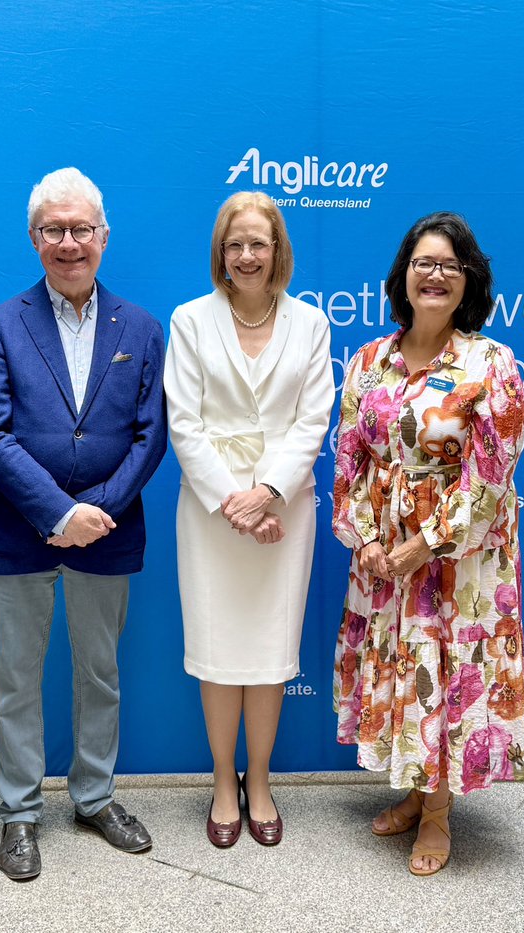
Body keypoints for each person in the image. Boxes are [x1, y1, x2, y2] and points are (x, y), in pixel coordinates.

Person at [0, 167, 167, 881]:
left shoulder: (141, 328)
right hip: (19, 530)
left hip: (108, 532)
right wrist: (57, 511)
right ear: (34, 238)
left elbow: (152, 437)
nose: (68, 242)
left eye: (80, 228)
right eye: (53, 229)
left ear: (103, 237)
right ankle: (20, 812)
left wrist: (97, 512)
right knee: (16, 678)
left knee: (100, 673)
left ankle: (93, 797)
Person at [331, 211, 524, 876]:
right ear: (404, 277)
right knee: (404, 672)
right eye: (423, 262)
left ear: (468, 278)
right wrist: (364, 540)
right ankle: (420, 792)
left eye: (448, 264)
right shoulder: (369, 360)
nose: (435, 274)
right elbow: (349, 456)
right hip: (383, 560)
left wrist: (423, 544)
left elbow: (492, 479)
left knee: (441, 676)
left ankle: (440, 815)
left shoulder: (490, 363)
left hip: (454, 566)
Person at [164, 191, 333, 848]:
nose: (246, 255)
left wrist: (267, 494)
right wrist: (237, 504)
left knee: (267, 657)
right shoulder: (189, 320)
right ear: (220, 253)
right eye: (235, 244)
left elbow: (312, 420)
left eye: (258, 243)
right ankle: (223, 782)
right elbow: (186, 422)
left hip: (285, 514)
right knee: (218, 656)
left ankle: (258, 779)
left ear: (277, 250)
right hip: (211, 516)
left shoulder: (311, 324)